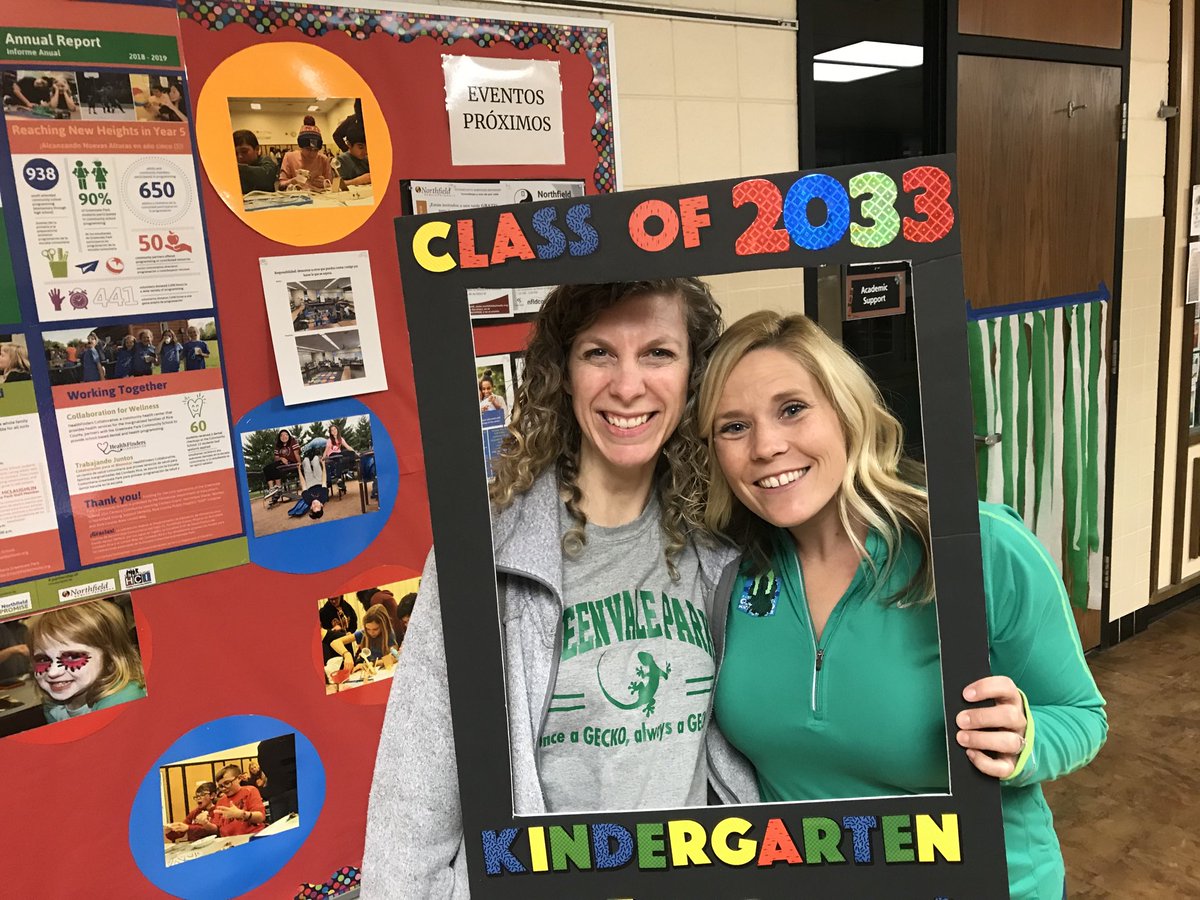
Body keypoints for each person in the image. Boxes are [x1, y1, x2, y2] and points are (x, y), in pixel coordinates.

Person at [362, 279, 758, 896]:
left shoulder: (724, 543)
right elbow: (414, 797)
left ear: (693, 379)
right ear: (564, 373)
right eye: (599, 352)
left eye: (658, 353)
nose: (628, 386)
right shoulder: (485, 554)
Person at [696, 311, 1108, 900]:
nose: (766, 446)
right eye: (733, 426)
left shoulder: (978, 546)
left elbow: (1082, 715)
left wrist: (1026, 739)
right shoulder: (728, 576)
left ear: (847, 414)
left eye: (793, 409)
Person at [29, 600, 147, 723]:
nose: (52, 672)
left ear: (109, 656)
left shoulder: (123, 699)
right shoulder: (53, 704)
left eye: (72, 657)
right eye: (43, 659)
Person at [331, 604, 399, 675]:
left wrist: (369, 664)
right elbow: (335, 642)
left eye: (375, 629)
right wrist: (346, 654)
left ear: (383, 626)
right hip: (367, 673)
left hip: (384, 672)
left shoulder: (389, 634)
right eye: (368, 629)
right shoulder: (364, 633)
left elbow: (394, 657)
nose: (371, 632)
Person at [278, 116, 334, 191]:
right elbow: (281, 185)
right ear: (300, 146)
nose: (312, 153)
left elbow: (332, 185)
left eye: (316, 150)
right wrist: (293, 181)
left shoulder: (323, 159)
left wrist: (324, 183)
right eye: (308, 149)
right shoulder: (289, 157)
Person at [212, 765, 266, 836]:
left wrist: (241, 814)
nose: (223, 789)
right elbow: (216, 828)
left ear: (239, 778)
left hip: (251, 836)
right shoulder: (220, 802)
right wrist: (205, 823)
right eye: (220, 786)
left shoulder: (250, 791)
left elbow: (260, 817)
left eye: (227, 783)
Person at [233, 129, 278, 194]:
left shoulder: (266, 161)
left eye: (244, 151)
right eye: (235, 153)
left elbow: (266, 176)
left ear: (257, 149)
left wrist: (235, 168)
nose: (239, 156)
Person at [263, 429, 301, 504]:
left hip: (291, 462)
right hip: (281, 463)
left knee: (277, 467)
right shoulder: (278, 445)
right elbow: (276, 458)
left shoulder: (293, 442)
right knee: (266, 468)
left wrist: (299, 463)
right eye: (282, 435)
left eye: (286, 434)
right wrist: (281, 458)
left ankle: (279, 487)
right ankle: (272, 489)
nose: (284, 436)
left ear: (289, 435)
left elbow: (297, 454)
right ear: (279, 437)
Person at [320, 595, 359, 664]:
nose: (334, 601)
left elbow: (354, 621)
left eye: (336, 598)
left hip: (346, 642)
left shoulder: (346, 606)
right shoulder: (323, 612)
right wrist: (332, 630)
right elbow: (323, 633)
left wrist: (350, 631)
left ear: (341, 596)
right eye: (331, 599)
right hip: (334, 646)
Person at [288, 454, 329, 519]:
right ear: (321, 505)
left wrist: (299, 470)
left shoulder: (307, 499)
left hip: (309, 484)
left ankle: (307, 461)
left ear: (311, 507)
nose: (315, 505)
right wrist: (323, 465)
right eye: (317, 506)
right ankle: (314, 461)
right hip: (320, 481)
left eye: (313, 507)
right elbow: (324, 481)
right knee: (315, 459)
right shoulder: (324, 497)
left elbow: (303, 484)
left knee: (306, 461)